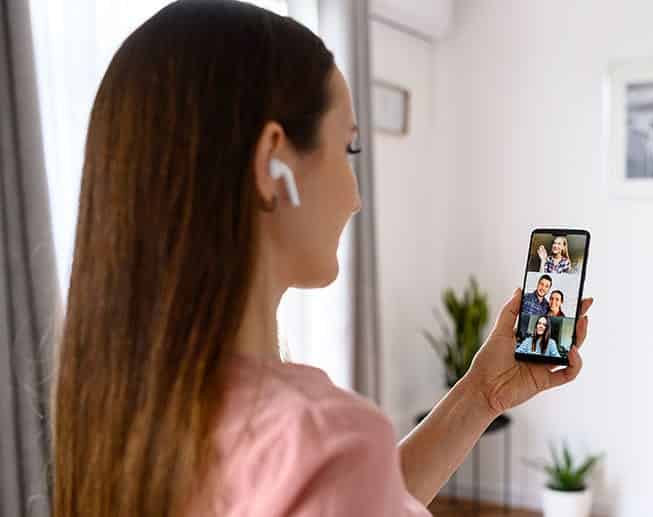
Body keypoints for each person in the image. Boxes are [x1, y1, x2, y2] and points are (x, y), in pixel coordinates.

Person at [51, 3, 595, 517]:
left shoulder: (121, 410)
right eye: (347, 149)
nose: (356, 198)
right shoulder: (321, 439)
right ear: (273, 163)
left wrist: (481, 394)